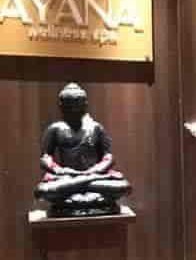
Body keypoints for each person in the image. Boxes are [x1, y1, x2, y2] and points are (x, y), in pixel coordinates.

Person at [35, 82, 131, 216]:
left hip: (89, 176)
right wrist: (60, 170)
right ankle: (85, 183)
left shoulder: (95, 127)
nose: (74, 109)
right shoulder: (55, 129)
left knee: (123, 186)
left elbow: (108, 157)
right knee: (43, 190)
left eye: (77, 104)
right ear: (61, 106)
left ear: (85, 105)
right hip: (67, 176)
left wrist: (95, 170)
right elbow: (45, 157)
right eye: (69, 105)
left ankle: (78, 185)